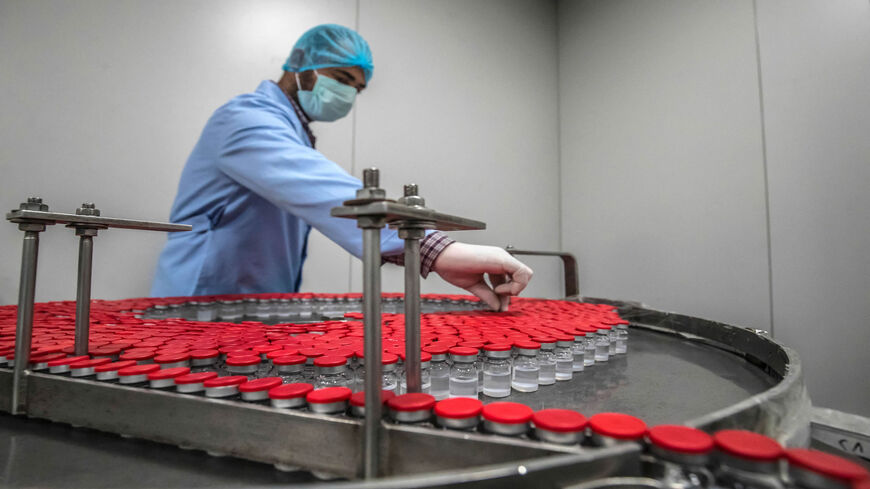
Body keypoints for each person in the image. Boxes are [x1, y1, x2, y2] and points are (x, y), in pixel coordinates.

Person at [151, 24, 532, 311]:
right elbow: (315, 185)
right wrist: (431, 246)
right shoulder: (243, 119)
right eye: (341, 79)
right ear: (300, 65)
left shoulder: (291, 131)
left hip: (243, 307)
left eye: (357, 88)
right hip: (197, 303)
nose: (348, 94)